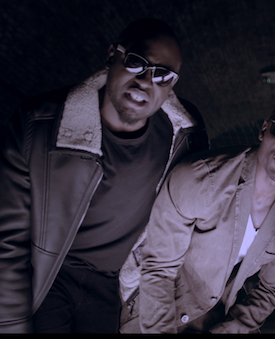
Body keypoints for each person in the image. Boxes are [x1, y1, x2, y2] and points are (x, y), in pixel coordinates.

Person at [0, 18, 209, 333]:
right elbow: (8, 240)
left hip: (111, 287)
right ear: (112, 55)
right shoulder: (39, 125)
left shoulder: (184, 136)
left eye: (163, 74)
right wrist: (11, 323)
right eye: (137, 62)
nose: (146, 81)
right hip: (48, 277)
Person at [118, 96, 275, 334]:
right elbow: (158, 268)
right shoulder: (199, 178)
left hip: (221, 316)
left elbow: (272, 289)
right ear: (264, 130)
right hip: (157, 312)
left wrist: (234, 328)